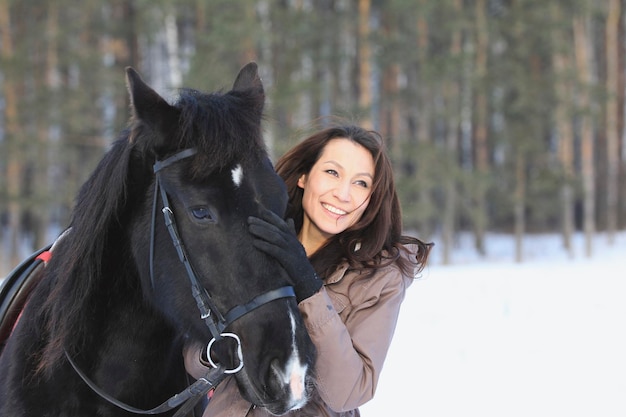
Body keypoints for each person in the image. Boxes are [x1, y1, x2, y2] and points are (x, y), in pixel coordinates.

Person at [184, 124, 432, 416]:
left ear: (371, 200)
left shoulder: (379, 278)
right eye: (332, 173)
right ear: (304, 176)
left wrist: (307, 284)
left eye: (361, 183)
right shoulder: (251, 242)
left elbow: (348, 392)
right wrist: (212, 353)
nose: (343, 194)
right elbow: (191, 355)